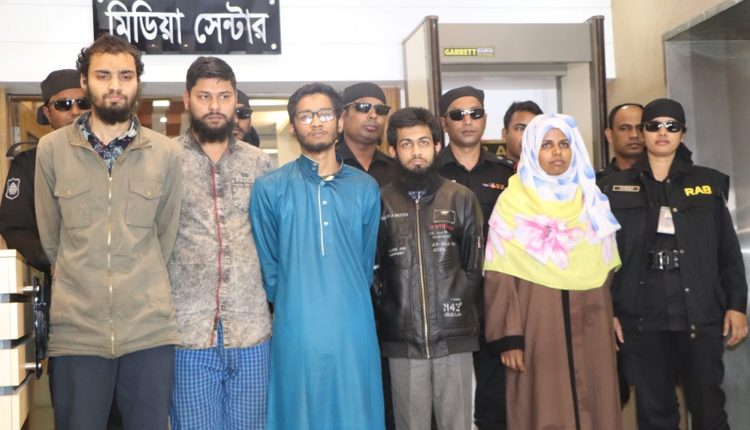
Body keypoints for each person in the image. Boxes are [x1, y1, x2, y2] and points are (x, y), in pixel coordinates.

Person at [34, 34, 183, 430]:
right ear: (85, 82)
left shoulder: (166, 153)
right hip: (77, 333)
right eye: (103, 75)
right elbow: (51, 238)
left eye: (125, 76)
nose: (115, 85)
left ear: (137, 83)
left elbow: (164, 237)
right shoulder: (52, 150)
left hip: (148, 332)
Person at [600, 98, 748, 430]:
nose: (663, 132)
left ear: (683, 133)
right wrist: (608, 310)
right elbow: (601, 258)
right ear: (643, 132)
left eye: (672, 126)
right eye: (654, 126)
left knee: (709, 413)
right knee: (655, 415)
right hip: (642, 315)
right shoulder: (612, 188)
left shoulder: (709, 184)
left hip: (698, 312)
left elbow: (727, 252)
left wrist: (737, 305)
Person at [250, 82, 384, 430]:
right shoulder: (270, 188)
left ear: (339, 121)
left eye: (324, 114)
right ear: (293, 127)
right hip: (296, 326)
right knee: (300, 413)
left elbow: (364, 263)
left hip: (353, 325)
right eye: (305, 116)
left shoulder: (365, 188)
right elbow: (270, 268)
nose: (316, 122)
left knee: (357, 412)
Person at [484, 114, 623, 429]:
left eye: (564, 144)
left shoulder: (592, 201)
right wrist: (509, 337)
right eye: (546, 145)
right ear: (532, 150)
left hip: (592, 316)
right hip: (536, 321)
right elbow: (498, 275)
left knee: (596, 398)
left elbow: (608, 266)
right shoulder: (512, 203)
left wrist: (615, 314)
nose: (557, 152)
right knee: (544, 402)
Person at [168, 57, 273, 430]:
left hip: (252, 332)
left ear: (235, 100)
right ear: (187, 99)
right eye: (204, 96)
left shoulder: (260, 165)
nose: (215, 106)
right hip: (188, 334)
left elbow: (273, 241)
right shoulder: (164, 160)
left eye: (224, 96)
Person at [376, 106, 483, 430]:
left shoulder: (461, 198)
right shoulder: (379, 201)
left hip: (454, 337)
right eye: (406, 144)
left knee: (457, 424)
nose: (416, 151)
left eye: (423, 142)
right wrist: (391, 311)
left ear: (437, 145)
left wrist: (455, 311)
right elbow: (375, 270)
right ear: (392, 150)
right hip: (403, 341)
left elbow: (474, 269)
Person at [435, 86, 512, 430]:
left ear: (485, 118)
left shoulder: (508, 174)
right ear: (444, 123)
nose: (467, 121)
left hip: (496, 293)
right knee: (446, 401)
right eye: (458, 114)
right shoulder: (431, 172)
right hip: (446, 295)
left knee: (496, 401)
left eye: (475, 113)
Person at [0, 69, 90, 272]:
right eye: (63, 104)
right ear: (48, 113)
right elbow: (15, 227)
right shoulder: (28, 163)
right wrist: (56, 260)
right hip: (65, 279)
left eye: (83, 103)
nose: (75, 111)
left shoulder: (117, 156)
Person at [337, 82, 397, 186]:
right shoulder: (327, 166)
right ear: (343, 117)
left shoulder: (395, 170)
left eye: (380, 109)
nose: (373, 115)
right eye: (363, 107)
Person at [597, 103, 644, 179]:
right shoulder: (595, 183)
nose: (634, 135)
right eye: (624, 128)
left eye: (640, 128)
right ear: (610, 135)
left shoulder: (661, 179)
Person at [501, 100, 543, 165]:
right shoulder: (490, 170)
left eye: (534, 129)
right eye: (520, 128)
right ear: (505, 134)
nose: (528, 135)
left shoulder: (551, 170)